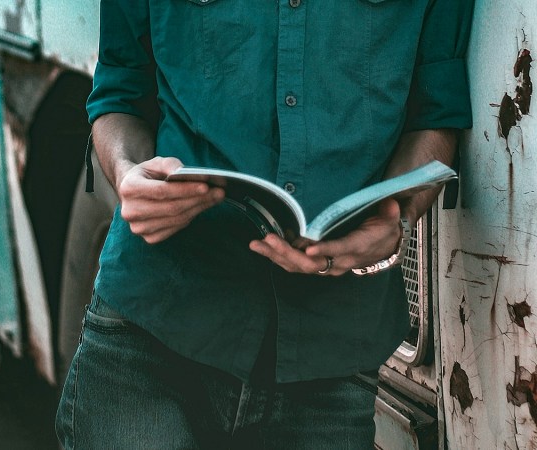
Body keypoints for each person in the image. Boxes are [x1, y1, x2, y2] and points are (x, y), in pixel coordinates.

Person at [56, 0, 473, 448]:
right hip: (153, 327)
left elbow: (436, 113)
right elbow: (121, 86)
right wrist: (125, 173)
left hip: (329, 359)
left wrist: (400, 216)